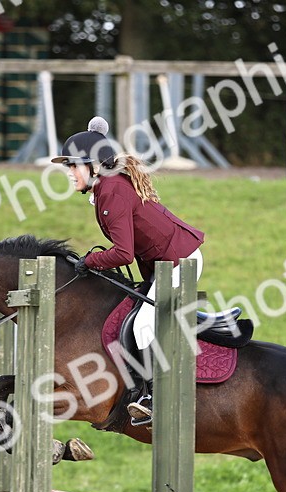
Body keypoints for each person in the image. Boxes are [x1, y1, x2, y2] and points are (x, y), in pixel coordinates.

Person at [52, 117, 205, 426]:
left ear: (94, 166)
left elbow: (123, 252)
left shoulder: (111, 191)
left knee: (142, 326)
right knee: (136, 316)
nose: (70, 173)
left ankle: (152, 397)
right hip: (162, 265)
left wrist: (89, 262)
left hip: (180, 262)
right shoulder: (105, 188)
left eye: (74, 166)